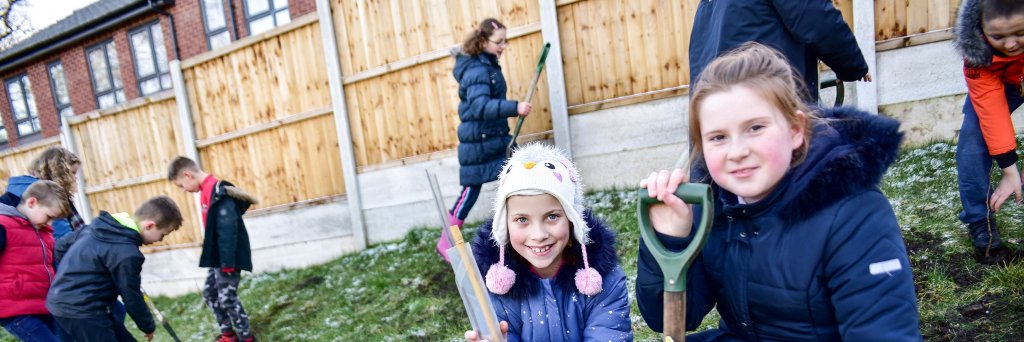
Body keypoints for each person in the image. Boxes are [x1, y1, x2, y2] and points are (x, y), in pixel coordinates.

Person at [636, 43, 921, 340]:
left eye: (755, 128)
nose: (737, 151)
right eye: (718, 137)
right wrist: (671, 238)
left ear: (796, 130)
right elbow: (670, 320)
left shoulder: (854, 216)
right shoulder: (719, 206)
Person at [465, 143, 632, 341]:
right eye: (522, 219)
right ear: (504, 226)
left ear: (572, 219)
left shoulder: (605, 280)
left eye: (552, 216)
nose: (538, 234)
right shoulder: (495, 289)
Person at [441, 17, 534, 262]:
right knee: (470, 190)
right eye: (498, 42)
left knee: (516, 174)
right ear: (483, 40)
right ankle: (446, 240)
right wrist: (515, 107)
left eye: (505, 41)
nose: (503, 46)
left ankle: (518, 226)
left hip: (492, 136)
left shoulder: (486, 63)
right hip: (479, 140)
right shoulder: (477, 68)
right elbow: (481, 106)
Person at [46, 196, 183, 342]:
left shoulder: (99, 227)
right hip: (81, 310)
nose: (160, 240)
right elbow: (131, 295)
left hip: (86, 305)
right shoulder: (128, 254)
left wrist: (66, 276)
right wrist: (147, 326)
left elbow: (61, 246)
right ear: (149, 225)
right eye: (162, 234)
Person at [951, 0, 1024, 255]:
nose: (1011, 44)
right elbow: (991, 111)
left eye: (1020, 33)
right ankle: (981, 223)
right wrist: (1009, 168)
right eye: (998, 36)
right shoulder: (977, 52)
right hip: (998, 82)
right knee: (972, 140)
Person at [688, 0, 870, 101]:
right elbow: (816, 19)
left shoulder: (707, 5)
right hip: (769, 104)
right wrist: (852, 66)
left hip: (719, 115)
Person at [168, 156, 257, 342]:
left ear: (187, 175)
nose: (183, 190)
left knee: (228, 298)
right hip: (217, 256)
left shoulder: (219, 192)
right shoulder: (205, 191)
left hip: (227, 258)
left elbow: (228, 230)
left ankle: (246, 337)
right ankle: (228, 334)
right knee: (210, 293)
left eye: (181, 185)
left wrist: (227, 264)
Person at [0, 181, 70, 341]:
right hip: (15, 310)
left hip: (43, 306)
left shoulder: (43, 231)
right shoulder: (3, 226)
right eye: (49, 217)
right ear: (32, 202)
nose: (50, 223)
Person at [2, 146, 86, 240]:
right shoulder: (47, 196)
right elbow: (62, 237)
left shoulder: (19, 187)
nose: (75, 178)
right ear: (60, 172)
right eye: (73, 173)